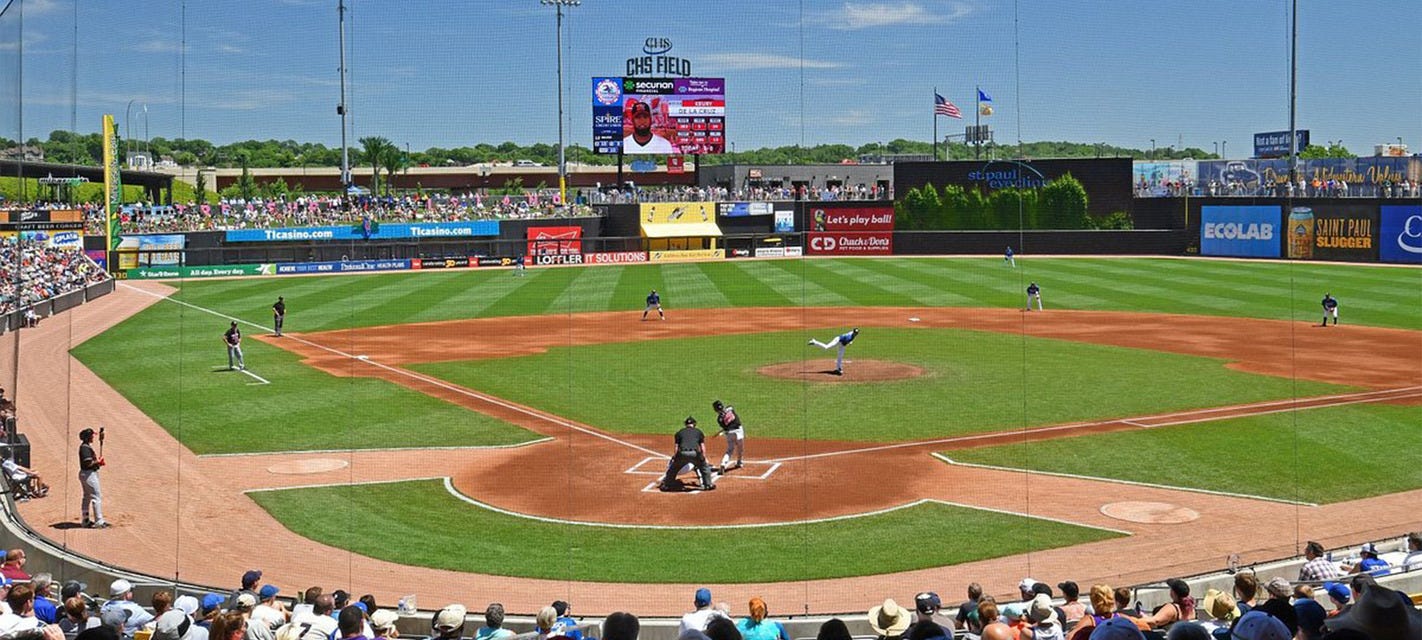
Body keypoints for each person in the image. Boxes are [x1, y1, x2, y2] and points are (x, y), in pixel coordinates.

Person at [660, 418, 716, 491]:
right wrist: (703, 458)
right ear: (694, 424)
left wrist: (676, 458)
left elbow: (676, 447)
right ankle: (708, 485)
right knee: (704, 467)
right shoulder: (699, 432)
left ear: (685, 424)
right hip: (695, 454)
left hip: (682, 453)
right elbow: (702, 447)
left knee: (673, 469)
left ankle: (667, 485)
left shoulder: (679, 432)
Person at [77, 429, 108, 529]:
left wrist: (98, 463)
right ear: (87, 437)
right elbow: (87, 463)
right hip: (89, 475)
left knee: (87, 497)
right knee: (96, 497)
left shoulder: (85, 447)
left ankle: (85, 520)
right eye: (91, 436)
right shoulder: (85, 448)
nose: (93, 437)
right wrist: (98, 462)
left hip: (86, 474)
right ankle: (99, 521)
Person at [710, 400, 744, 473]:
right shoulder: (730, 408)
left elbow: (725, 428)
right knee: (740, 448)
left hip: (729, 433)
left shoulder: (719, 419)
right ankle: (739, 462)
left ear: (715, 410)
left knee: (730, 450)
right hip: (738, 431)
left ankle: (723, 464)